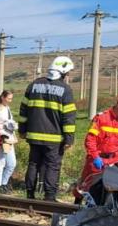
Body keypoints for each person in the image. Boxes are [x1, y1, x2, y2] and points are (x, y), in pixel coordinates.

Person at [20, 56, 77, 201]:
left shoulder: (33, 85)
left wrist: (22, 130)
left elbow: (23, 110)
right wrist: (69, 139)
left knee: (33, 164)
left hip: (33, 136)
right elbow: (68, 117)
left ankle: (30, 195)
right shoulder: (65, 90)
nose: (67, 75)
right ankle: (49, 197)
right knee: (53, 166)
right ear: (62, 72)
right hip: (54, 139)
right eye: (67, 73)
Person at [75, 94, 118, 201]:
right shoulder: (101, 118)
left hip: (113, 160)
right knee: (85, 186)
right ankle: (76, 205)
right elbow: (90, 140)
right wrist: (95, 157)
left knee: (108, 190)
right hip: (97, 159)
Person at [0, 90, 18, 193]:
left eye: (11, 99)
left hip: (9, 138)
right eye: (8, 98)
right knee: (1, 162)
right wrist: (3, 126)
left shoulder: (7, 108)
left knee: (12, 163)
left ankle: (4, 182)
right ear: (3, 97)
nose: (10, 101)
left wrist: (12, 126)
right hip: (2, 138)